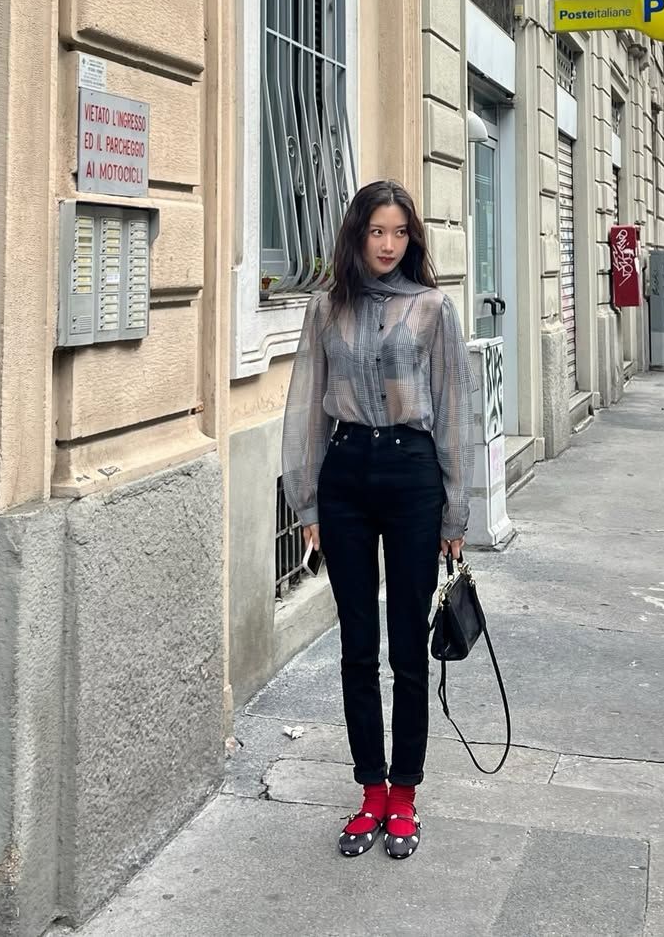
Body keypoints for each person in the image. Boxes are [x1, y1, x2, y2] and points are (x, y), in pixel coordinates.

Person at [281, 180, 477, 861]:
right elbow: (307, 403)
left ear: (411, 238)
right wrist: (307, 500)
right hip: (345, 477)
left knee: (407, 648)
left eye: (399, 232)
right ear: (357, 236)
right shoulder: (326, 307)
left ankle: (405, 794)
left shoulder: (432, 308)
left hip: (412, 475)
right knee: (357, 647)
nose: (388, 244)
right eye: (376, 232)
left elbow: (454, 410)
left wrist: (456, 509)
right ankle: (370, 789)